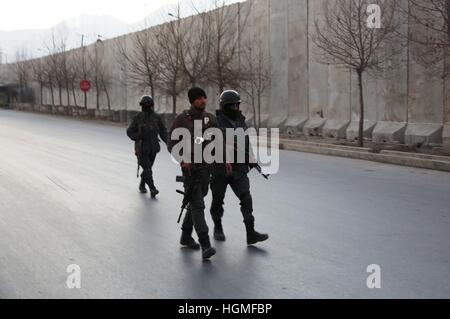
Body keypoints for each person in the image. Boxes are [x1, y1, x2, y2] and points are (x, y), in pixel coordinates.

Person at [168, 87, 223, 259]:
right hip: (190, 170)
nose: (203, 101)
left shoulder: (211, 119)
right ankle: (206, 245)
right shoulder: (183, 119)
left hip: (206, 168)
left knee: (195, 201)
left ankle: (185, 236)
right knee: (198, 206)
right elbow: (172, 142)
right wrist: (183, 160)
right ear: (192, 101)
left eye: (204, 97)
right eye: (199, 98)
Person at [210, 90, 269, 245]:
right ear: (225, 106)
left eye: (237, 105)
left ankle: (251, 233)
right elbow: (203, 140)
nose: (235, 108)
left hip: (239, 169)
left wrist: (250, 157)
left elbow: (245, 141)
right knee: (218, 199)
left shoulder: (241, 121)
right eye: (232, 105)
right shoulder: (213, 121)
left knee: (246, 198)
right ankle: (217, 226)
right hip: (220, 168)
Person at [127, 95, 168, 198]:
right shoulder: (137, 118)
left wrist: (169, 142)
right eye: (145, 105)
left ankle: (142, 184)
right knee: (148, 169)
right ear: (141, 105)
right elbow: (129, 131)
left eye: (149, 105)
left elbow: (163, 131)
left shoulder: (156, 118)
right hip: (141, 149)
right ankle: (153, 188)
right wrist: (138, 136)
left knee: (147, 169)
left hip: (153, 148)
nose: (147, 106)